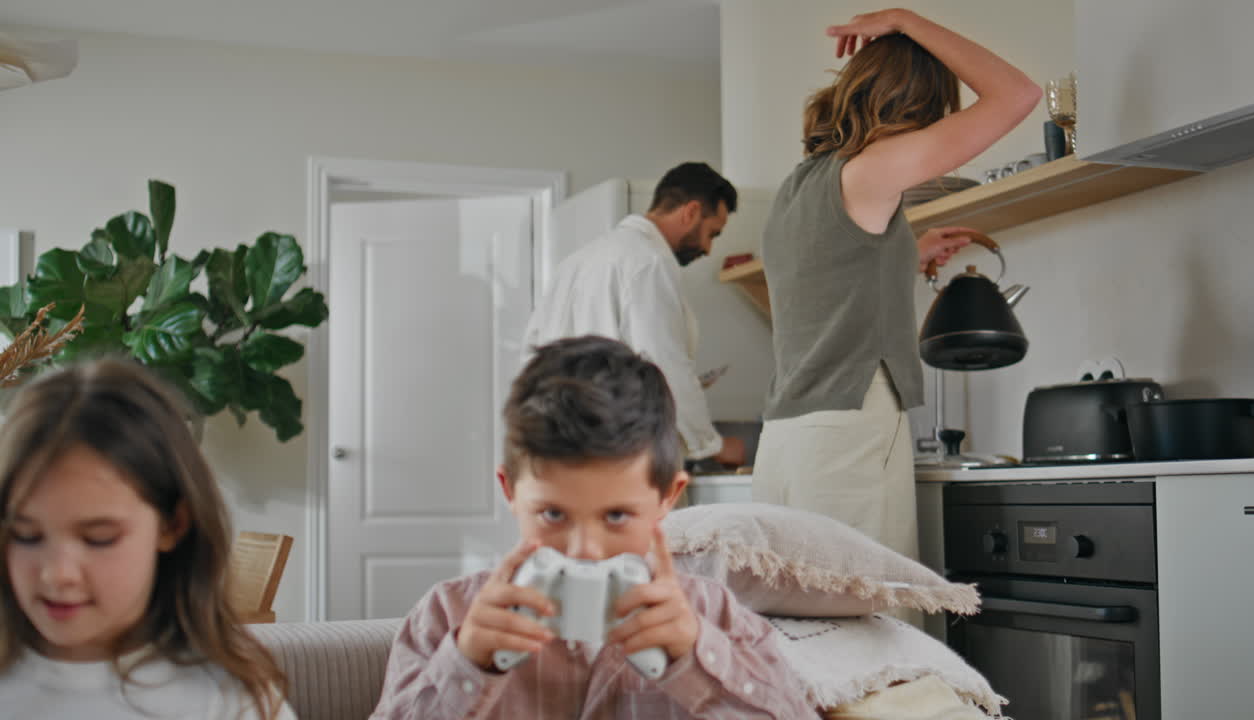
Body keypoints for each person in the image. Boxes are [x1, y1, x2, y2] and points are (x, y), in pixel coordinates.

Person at [371, 335, 817, 719]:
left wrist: (696, 659)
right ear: (509, 491)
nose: (584, 550)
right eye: (553, 514)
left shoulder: (714, 616)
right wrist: (466, 666)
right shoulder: (448, 614)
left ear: (667, 497)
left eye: (617, 516)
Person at [753, 8, 1041, 561]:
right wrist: (909, 20)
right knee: (873, 621)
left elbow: (830, 280)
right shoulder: (874, 168)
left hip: (786, 442)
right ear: (924, 105)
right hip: (847, 433)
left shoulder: (803, 183)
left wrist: (908, 253)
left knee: (808, 633)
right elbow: (1017, 95)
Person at [0, 358, 295, 719]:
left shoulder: (226, 700)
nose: (57, 574)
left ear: (172, 524)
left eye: (99, 538)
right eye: (26, 535)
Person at [522, 162, 747, 469]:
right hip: (623, 455)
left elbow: (532, 356)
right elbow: (665, 366)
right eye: (712, 233)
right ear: (691, 212)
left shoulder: (571, 265)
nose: (708, 248)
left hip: (559, 451)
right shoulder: (648, 263)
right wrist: (712, 445)